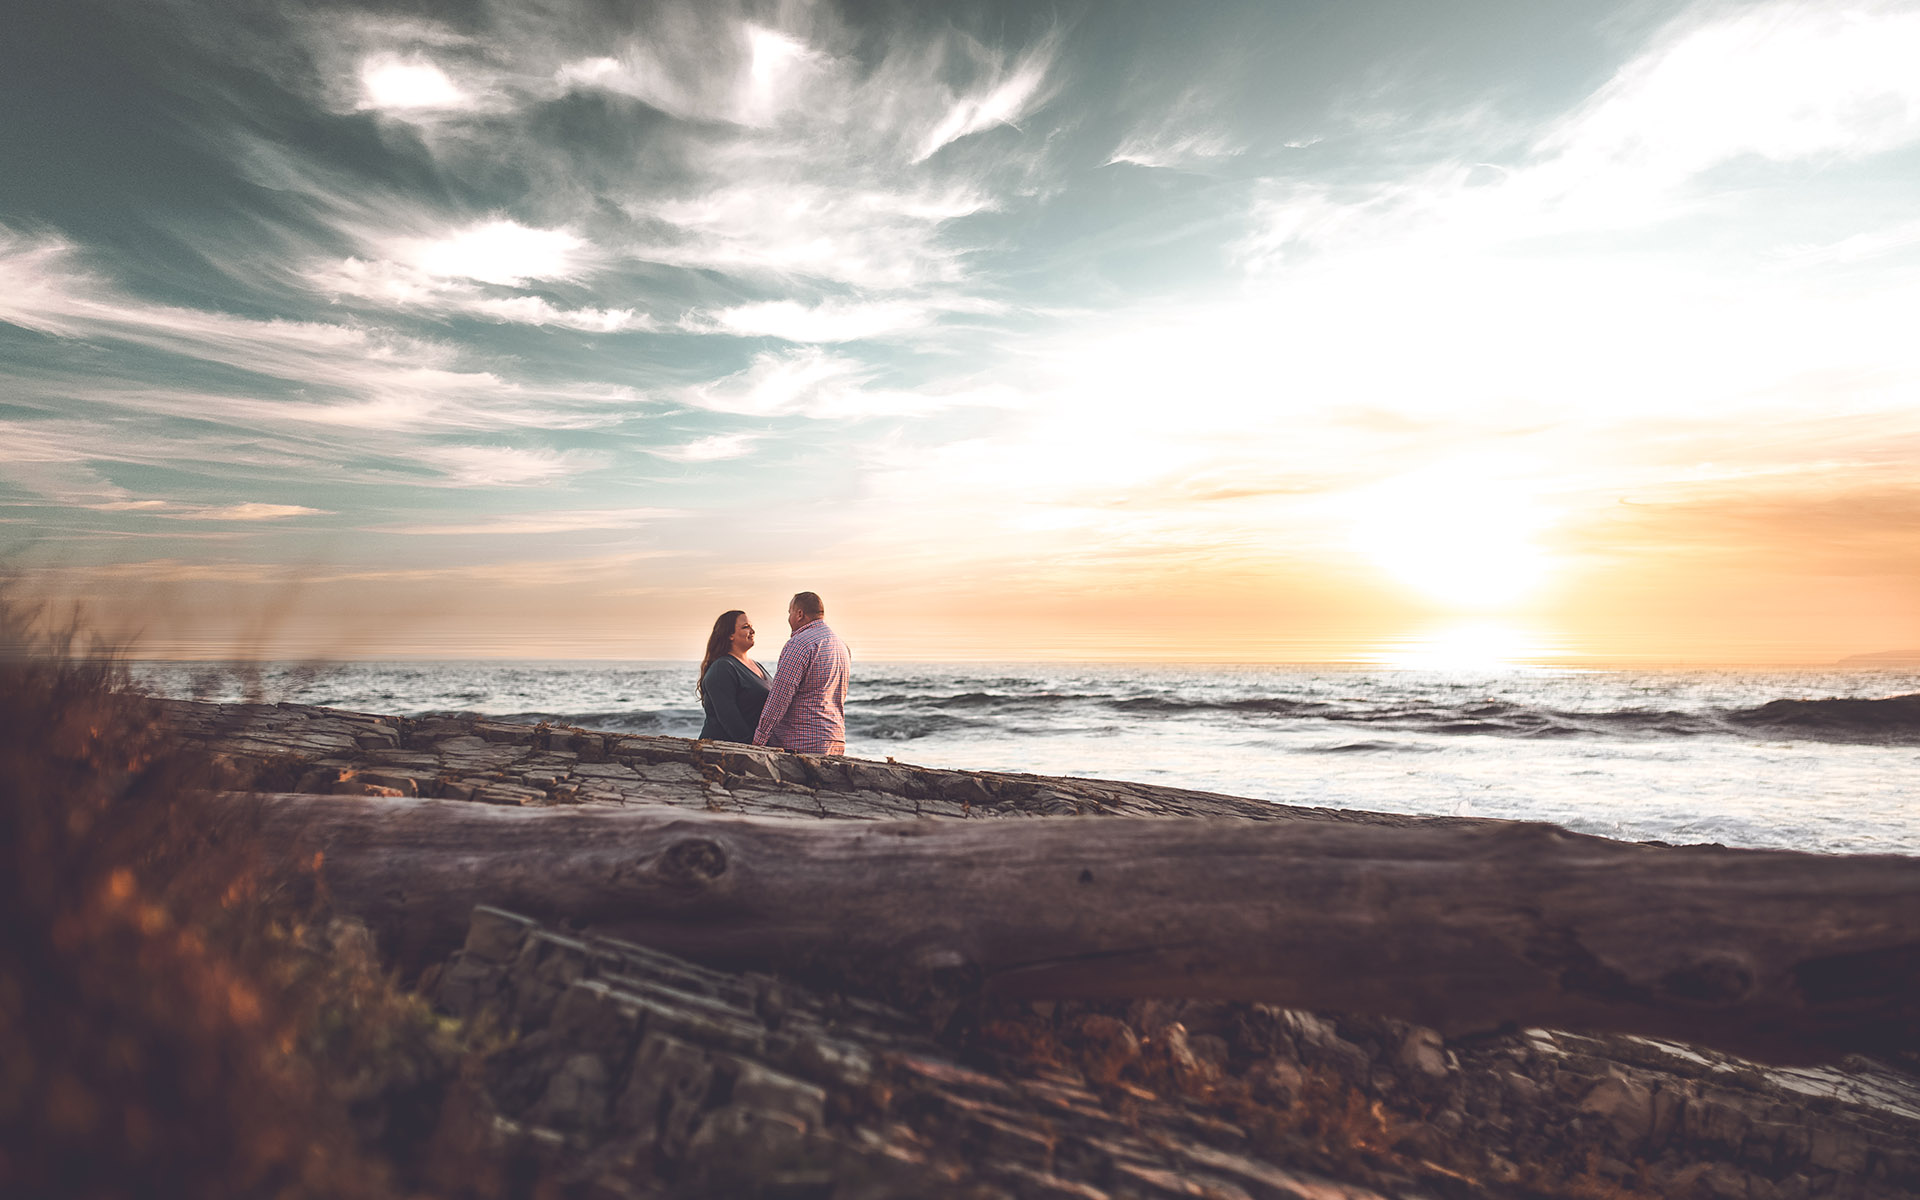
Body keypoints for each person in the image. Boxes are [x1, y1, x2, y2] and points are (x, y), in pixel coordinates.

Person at [752, 591, 851, 755]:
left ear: (799, 614)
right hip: (835, 739)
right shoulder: (841, 646)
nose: (788, 618)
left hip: (800, 742)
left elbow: (780, 696)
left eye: (789, 612)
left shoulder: (800, 644)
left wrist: (760, 738)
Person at [696, 609, 772, 743]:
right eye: (745, 627)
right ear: (730, 635)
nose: (752, 631)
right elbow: (729, 717)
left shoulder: (757, 665)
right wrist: (752, 747)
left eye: (751, 627)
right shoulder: (723, 667)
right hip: (723, 751)